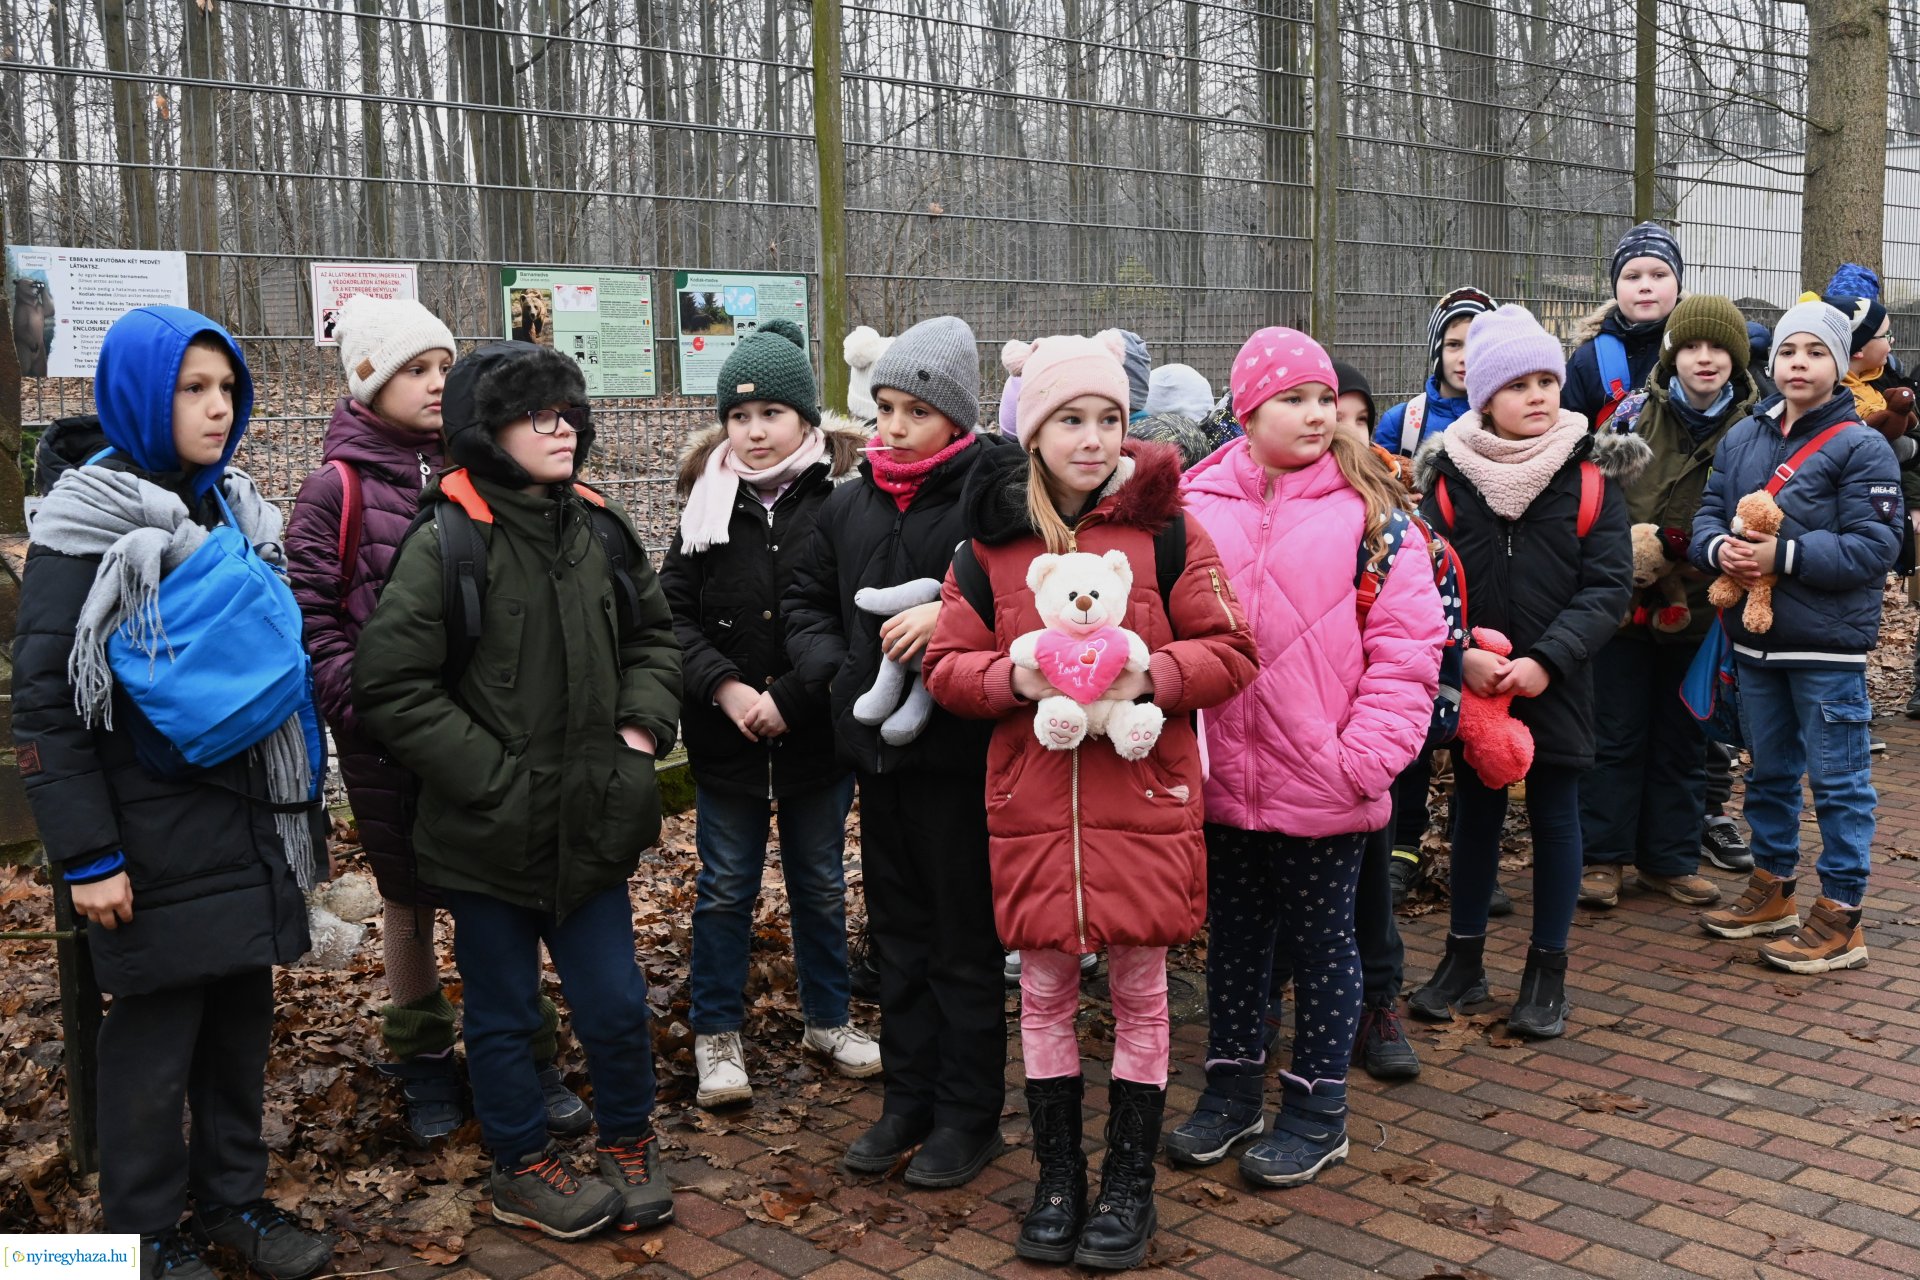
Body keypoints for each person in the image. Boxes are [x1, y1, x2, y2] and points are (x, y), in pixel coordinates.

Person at [15, 306, 335, 1280]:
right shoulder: (82, 524)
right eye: (191, 389)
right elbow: (46, 710)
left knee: (239, 1031)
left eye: (226, 388)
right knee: (154, 1048)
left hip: (246, 822)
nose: (215, 407)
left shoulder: (237, 507)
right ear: (138, 397)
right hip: (144, 841)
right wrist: (91, 856)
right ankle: (143, 1236)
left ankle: (235, 1202)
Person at [924, 330, 1257, 1267]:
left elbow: (1234, 650)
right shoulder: (987, 548)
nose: (1093, 437)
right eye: (1071, 418)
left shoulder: (1169, 533)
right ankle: (1060, 1177)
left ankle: (1129, 1184)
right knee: (1044, 995)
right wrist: (1016, 685)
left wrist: (1148, 675)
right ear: (1032, 431)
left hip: (1143, 799)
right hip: (1032, 808)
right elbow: (950, 667)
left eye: (1109, 418)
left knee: (1145, 995)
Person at [355, 342, 681, 1239]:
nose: (561, 428)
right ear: (485, 433)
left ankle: (628, 1142)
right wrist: (491, 779)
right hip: (485, 838)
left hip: (593, 825)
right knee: (501, 1015)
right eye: (537, 414)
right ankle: (522, 1167)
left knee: (615, 1003)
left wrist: (638, 734)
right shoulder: (446, 540)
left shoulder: (601, 527)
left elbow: (655, 638)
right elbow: (391, 684)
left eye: (568, 410)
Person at [1170, 327, 1442, 1190]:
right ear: (1246, 413)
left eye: (1325, 399)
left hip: (1326, 784)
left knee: (1326, 949)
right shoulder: (1191, 504)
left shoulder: (1374, 516)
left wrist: (1361, 763)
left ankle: (1320, 1109)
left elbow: (1408, 653)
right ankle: (1232, 1090)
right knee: (1238, 945)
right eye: (1294, 399)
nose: (1318, 414)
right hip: (1221, 783)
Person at [783, 316, 1014, 1187]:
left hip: (961, 762)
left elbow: (1027, 603)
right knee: (899, 939)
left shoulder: (990, 500)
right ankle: (906, 1100)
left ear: (956, 418)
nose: (893, 426)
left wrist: (953, 623)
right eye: (884, 406)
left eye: (915, 410)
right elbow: (808, 598)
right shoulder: (848, 502)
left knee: (963, 943)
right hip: (873, 760)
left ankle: (969, 1114)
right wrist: (839, 669)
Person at [659, 321, 879, 1109]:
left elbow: (854, 622)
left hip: (816, 737)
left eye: (771, 415)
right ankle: (717, 1034)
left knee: (820, 882)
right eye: (739, 417)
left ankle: (828, 1016)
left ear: (807, 421)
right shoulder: (703, 509)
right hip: (727, 741)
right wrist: (726, 689)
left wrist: (790, 699)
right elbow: (671, 619)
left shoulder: (843, 504)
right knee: (724, 887)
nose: (754, 432)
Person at [1407, 305, 1637, 1039]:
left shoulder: (1590, 476)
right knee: (1474, 817)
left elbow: (1608, 588)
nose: (1539, 395)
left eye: (1547, 379)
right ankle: (1463, 960)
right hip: (1478, 685)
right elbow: (1423, 581)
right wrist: (1461, 652)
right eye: (1519, 383)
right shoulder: (1448, 481)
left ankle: (1547, 969)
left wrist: (1546, 660)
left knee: (1555, 818)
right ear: (1484, 397)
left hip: (1558, 681)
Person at [1691, 300, 1902, 973]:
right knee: (1770, 773)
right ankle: (1773, 888)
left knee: (1840, 783)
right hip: (1753, 646)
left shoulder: (1861, 445)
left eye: (1815, 352)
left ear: (1839, 366)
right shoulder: (1743, 437)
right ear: (1772, 361)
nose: (1799, 364)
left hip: (1825, 650)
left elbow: (1875, 546)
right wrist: (1717, 549)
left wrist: (1781, 558)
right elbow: (1707, 513)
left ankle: (1841, 915)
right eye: (1788, 352)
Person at [1577, 295, 1760, 911]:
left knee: (1684, 740)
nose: (1704, 360)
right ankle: (1602, 858)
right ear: (1671, 353)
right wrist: (1623, 557)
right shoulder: (1631, 415)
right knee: (1615, 733)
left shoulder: (1756, 429)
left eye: (1718, 350)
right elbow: (1594, 500)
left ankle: (1670, 859)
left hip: (1704, 613)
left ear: (1737, 360)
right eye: (1691, 347)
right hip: (1624, 609)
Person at [1563, 222, 1683, 428]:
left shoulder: (1704, 348)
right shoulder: (1588, 360)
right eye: (1633, 277)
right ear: (1615, 288)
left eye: (1659, 275)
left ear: (1678, 283)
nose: (1645, 286)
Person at [1373, 287, 1498, 458]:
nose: (1465, 358)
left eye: (1476, 346)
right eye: (1453, 345)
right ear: (1436, 350)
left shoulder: (1510, 417)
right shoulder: (1401, 423)